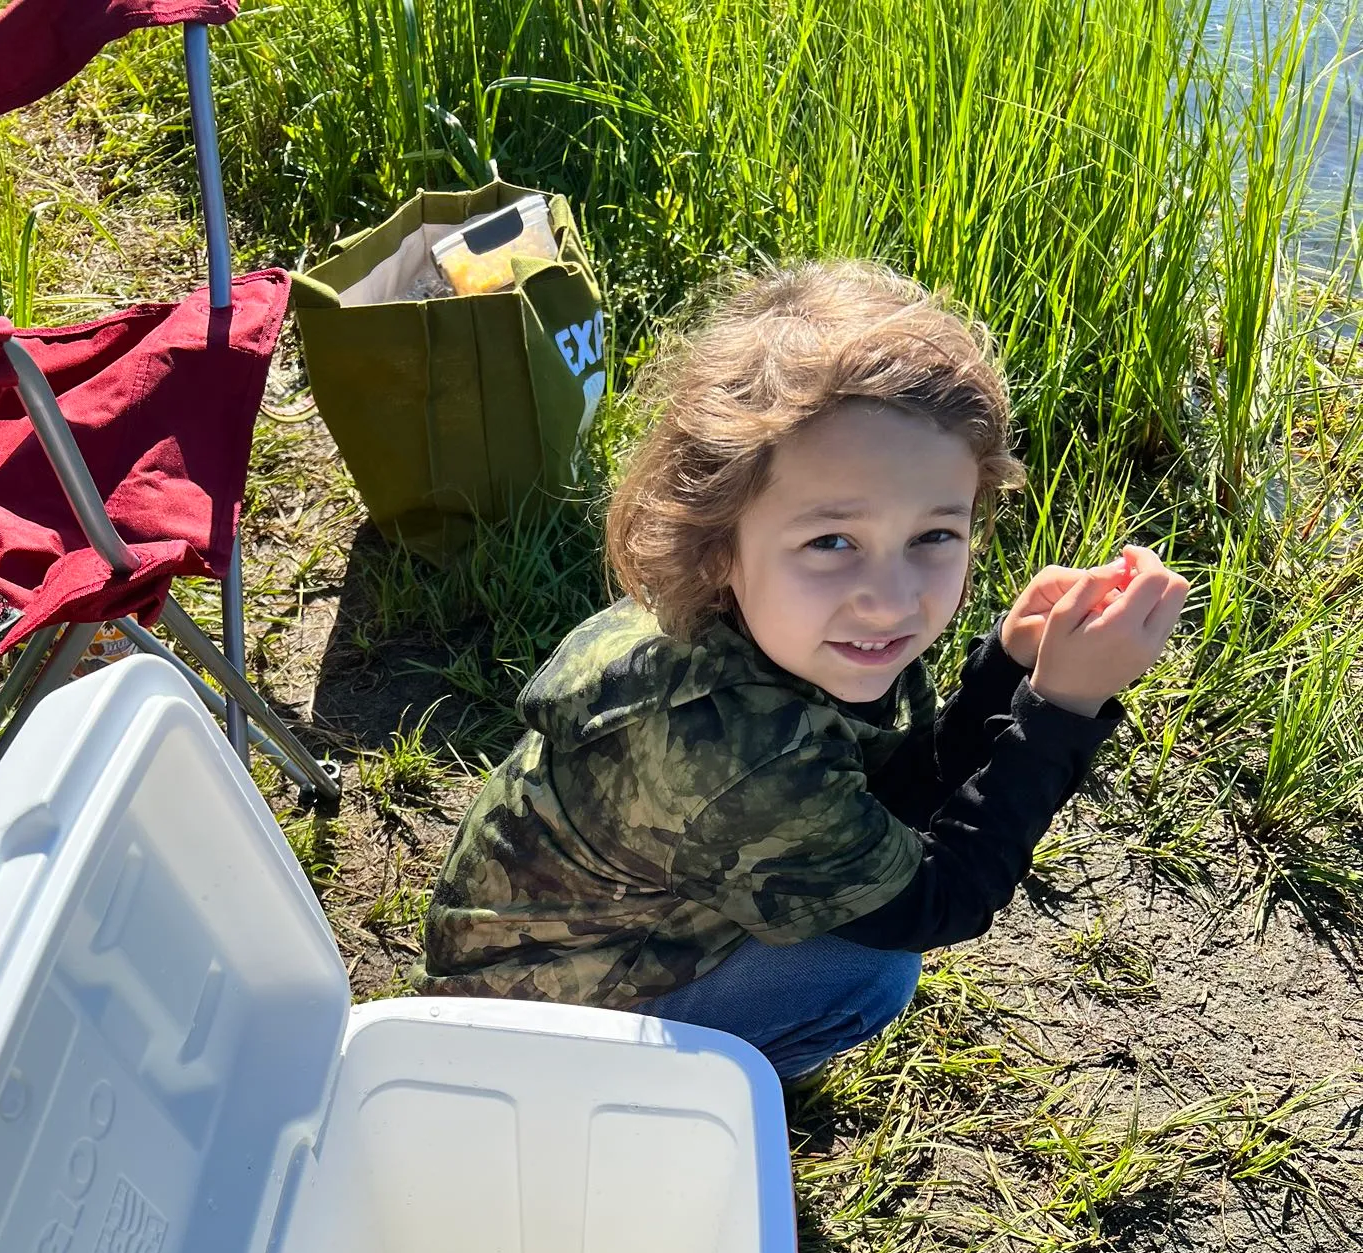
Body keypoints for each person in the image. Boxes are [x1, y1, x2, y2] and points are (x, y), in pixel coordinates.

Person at [412, 261, 1188, 1081]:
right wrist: (1064, 706)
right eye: (831, 542)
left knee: (852, 910)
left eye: (934, 536)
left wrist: (1009, 667)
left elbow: (892, 788)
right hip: (521, 1037)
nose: (890, 602)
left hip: (574, 943)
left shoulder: (774, 624)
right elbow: (938, 899)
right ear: (719, 542)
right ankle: (662, 1102)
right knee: (865, 971)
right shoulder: (730, 744)